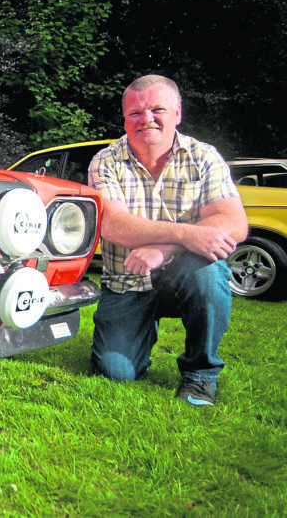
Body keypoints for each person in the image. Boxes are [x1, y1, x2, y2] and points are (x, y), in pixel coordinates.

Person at [88, 74, 248, 406]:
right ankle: (141, 327)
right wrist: (187, 234)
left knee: (207, 270)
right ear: (125, 118)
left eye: (157, 109)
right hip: (126, 281)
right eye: (135, 113)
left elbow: (233, 223)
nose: (146, 119)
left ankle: (200, 376)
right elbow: (115, 226)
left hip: (182, 277)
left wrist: (164, 248)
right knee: (115, 372)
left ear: (177, 113)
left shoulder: (204, 157)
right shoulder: (105, 161)